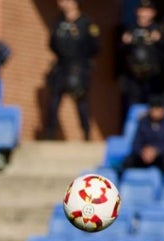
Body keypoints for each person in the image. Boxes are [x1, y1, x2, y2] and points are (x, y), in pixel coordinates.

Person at [44, 0, 100, 141]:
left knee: (81, 102)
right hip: (61, 66)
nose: (62, 3)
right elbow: (52, 44)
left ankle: (86, 133)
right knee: (54, 102)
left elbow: (95, 46)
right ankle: (50, 133)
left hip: (79, 67)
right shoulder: (58, 22)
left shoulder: (87, 23)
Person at [116, 0, 163, 118]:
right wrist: (124, 42)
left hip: (152, 77)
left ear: (153, 13)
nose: (144, 14)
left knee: (152, 106)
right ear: (137, 12)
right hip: (133, 77)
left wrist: (159, 40)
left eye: (147, 11)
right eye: (142, 10)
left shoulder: (158, 29)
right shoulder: (129, 29)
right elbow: (119, 51)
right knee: (131, 106)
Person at [123, 96, 164, 173]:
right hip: (144, 155)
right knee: (129, 161)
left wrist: (156, 151)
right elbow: (136, 142)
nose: (156, 112)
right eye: (153, 109)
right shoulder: (143, 122)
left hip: (160, 155)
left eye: (158, 109)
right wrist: (143, 151)